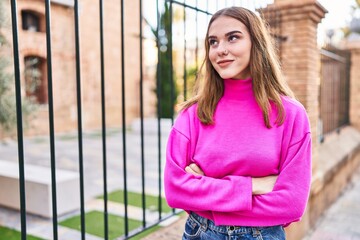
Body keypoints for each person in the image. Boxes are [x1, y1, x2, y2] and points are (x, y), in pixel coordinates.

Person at [164, 6, 312, 240]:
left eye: (232, 38)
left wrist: (205, 187)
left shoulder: (290, 114)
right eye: (213, 42)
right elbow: (176, 191)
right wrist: (254, 185)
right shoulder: (193, 114)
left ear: (256, 43)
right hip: (200, 233)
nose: (220, 50)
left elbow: (291, 203)